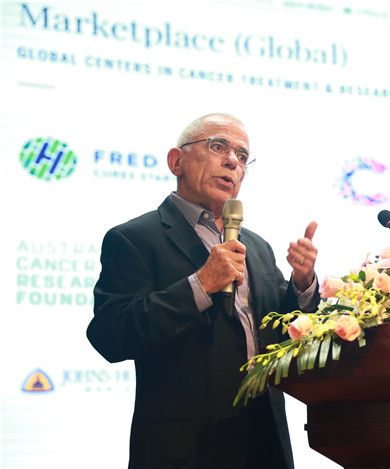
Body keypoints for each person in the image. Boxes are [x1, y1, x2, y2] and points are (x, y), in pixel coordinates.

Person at [87, 113, 320, 468]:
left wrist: (303, 284)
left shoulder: (257, 247)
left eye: (242, 156)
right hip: (185, 448)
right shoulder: (134, 239)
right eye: (218, 146)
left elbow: (281, 330)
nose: (232, 162)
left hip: (264, 442)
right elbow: (111, 334)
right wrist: (199, 285)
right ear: (176, 162)